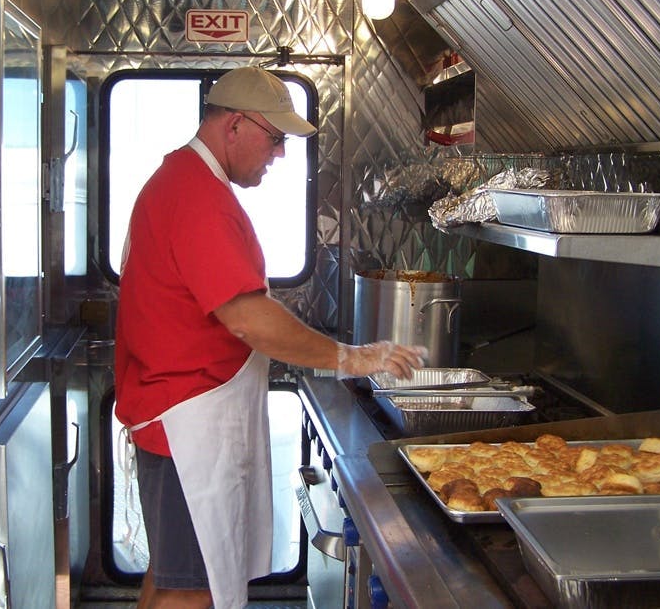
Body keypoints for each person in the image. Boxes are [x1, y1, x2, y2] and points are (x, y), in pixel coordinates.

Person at [114, 66, 426, 609]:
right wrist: (350, 358)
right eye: (275, 138)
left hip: (182, 421)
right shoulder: (196, 196)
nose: (280, 154)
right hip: (188, 428)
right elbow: (249, 318)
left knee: (175, 579)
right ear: (234, 125)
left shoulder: (183, 182)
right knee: (192, 590)